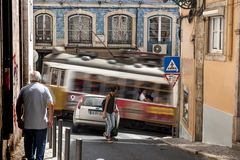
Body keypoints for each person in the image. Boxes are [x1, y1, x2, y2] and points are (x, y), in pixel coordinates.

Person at [16, 70, 54, 160]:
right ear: (39, 78)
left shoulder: (24, 89)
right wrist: (50, 120)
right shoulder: (44, 89)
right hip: (41, 125)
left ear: (30, 78)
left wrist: (19, 119)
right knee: (40, 147)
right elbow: (51, 105)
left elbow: (18, 104)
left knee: (29, 148)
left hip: (28, 124)